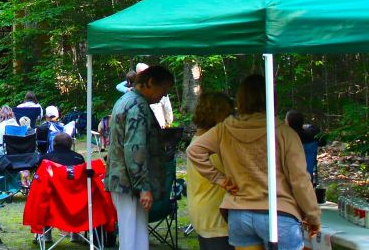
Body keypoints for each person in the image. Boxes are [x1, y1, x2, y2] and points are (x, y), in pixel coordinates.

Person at [187, 75, 320, 250]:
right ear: (273, 99)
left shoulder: (224, 129)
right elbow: (300, 180)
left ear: (241, 100)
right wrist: (312, 215)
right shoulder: (284, 132)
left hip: (239, 214)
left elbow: (194, 151)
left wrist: (219, 179)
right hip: (279, 213)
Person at [105, 64, 175, 250]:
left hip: (125, 181)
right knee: (132, 240)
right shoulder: (137, 105)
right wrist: (143, 187)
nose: (163, 96)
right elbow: (135, 148)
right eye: (164, 90)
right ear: (151, 83)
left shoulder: (127, 100)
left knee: (135, 238)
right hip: (129, 184)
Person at [185, 92, 235, 250]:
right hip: (215, 218)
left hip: (203, 213)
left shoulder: (200, 139)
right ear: (220, 115)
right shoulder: (212, 144)